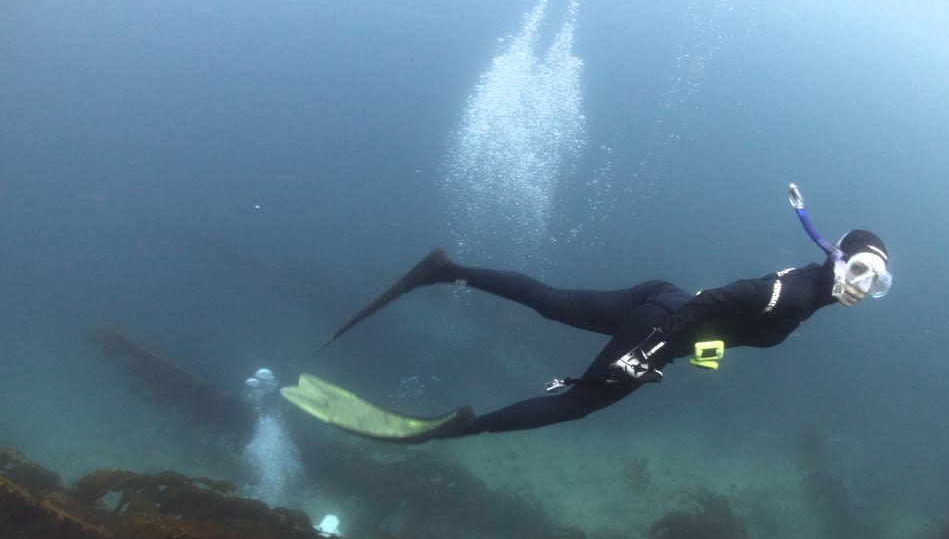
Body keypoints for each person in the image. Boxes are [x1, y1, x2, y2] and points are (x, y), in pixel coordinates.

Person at [282, 185, 891, 443]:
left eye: (877, 278)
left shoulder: (815, 277)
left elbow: (726, 312)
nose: (864, 285)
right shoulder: (796, 297)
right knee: (580, 401)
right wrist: (652, 351)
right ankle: (460, 428)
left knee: (549, 301)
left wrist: (698, 344)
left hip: (660, 298)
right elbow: (724, 302)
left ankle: (443, 269)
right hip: (662, 323)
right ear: (841, 260)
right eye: (860, 268)